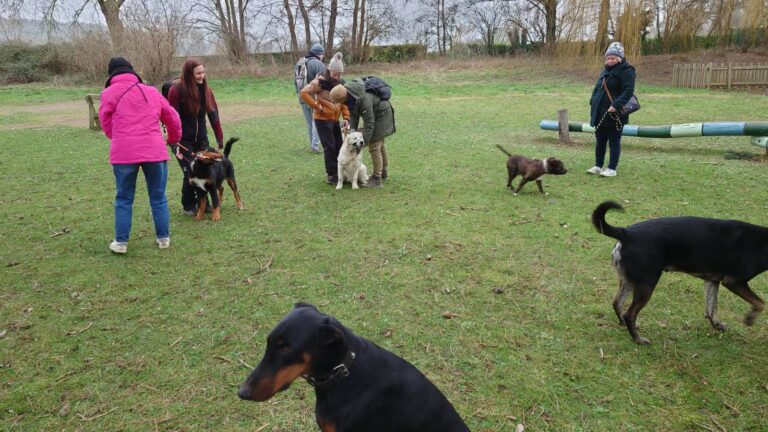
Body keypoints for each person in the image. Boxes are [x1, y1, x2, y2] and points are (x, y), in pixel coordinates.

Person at [98, 57, 181, 254]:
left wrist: (116, 137)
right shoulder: (151, 91)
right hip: (154, 150)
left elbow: (105, 121)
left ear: (111, 75)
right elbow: (172, 117)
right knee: (158, 197)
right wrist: (173, 138)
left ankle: (121, 242)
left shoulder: (108, 93)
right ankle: (163, 238)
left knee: (124, 198)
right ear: (132, 71)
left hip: (124, 152)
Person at [167, 59, 225, 214]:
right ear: (188, 74)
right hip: (183, 141)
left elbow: (214, 115)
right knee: (189, 172)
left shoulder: (206, 91)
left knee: (205, 171)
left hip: (201, 140)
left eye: (203, 72)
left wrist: (219, 137)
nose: (201, 76)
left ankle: (204, 203)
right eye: (198, 73)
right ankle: (188, 205)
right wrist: (174, 142)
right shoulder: (176, 91)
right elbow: (171, 118)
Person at [330, 77, 395, 188]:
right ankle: (383, 173)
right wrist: (352, 134)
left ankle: (376, 178)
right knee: (380, 145)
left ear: (342, 98)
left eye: (339, 102)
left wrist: (362, 143)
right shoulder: (351, 97)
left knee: (374, 146)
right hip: (375, 115)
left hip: (382, 116)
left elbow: (369, 124)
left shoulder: (364, 100)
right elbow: (354, 117)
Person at [587, 41, 636, 178]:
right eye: (608, 58)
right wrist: (593, 100)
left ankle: (612, 168)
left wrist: (615, 105)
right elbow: (598, 88)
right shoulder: (605, 70)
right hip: (600, 113)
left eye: (613, 58)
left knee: (614, 141)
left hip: (615, 114)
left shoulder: (627, 71)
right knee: (600, 141)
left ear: (619, 58)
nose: (609, 60)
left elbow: (628, 91)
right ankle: (598, 165)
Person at [300, 52, 350, 184]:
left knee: (339, 146)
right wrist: (316, 106)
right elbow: (304, 93)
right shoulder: (319, 81)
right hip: (322, 119)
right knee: (329, 147)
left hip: (334, 119)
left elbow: (343, 101)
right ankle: (331, 175)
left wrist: (346, 117)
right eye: (335, 74)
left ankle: (341, 173)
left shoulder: (340, 83)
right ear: (329, 70)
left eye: (339, 74)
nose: (337, 76)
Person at [296, 44, 327, 153]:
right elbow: (324, 82)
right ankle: (315, 145)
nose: (323, 56)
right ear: (319, 53)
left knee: (309, 122)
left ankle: (312, 144)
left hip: (301, 96)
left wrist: (299, 94)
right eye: (322, 54)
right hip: (314, 97)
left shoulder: (299, 63)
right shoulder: (318, 64)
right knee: (317, 121)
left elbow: (295, 81)